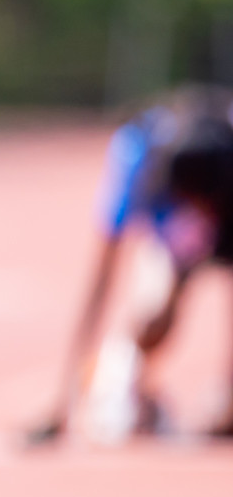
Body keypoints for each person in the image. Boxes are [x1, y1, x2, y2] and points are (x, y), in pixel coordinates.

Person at [31, 87, 233, 444]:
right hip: (173, 230)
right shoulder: (137, 157)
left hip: (223, 212)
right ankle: (133, 386)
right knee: (154, 312)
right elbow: (103, 278)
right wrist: (64, 400)